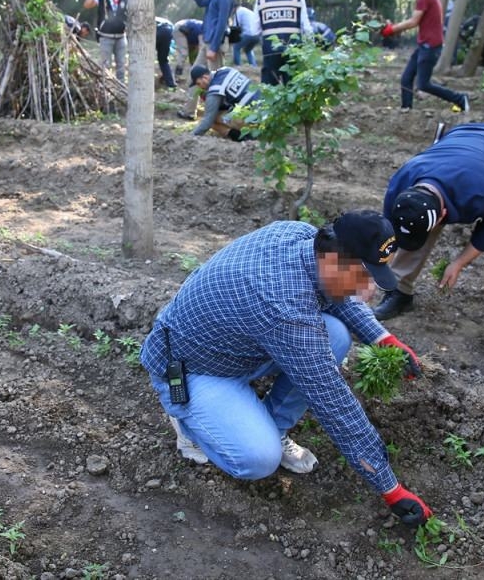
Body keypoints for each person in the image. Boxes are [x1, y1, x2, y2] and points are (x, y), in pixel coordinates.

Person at [139, 211, 431, 527]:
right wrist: (391, 488)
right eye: (363, 276)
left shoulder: (301, 236)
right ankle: (189, 425)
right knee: (258, 459)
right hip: (192, 365)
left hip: (239, 342)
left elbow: (340, 295)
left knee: (334, 335)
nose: (368, 289)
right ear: (334, 258)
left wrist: (384, 338)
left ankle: (273, 427)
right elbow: (335, 405)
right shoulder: (286, 310)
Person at [373, 124, 484, 361]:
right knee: (415, 222)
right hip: (463, 143)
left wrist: (459, 263)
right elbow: (389, 235)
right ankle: (399, 291)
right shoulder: (401, 184)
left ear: (443, 215)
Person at [380, 0, 469, 113]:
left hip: (430, 47)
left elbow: (414, 21)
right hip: (424, 45)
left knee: (424, 85)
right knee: (406, 78)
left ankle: (460, 99)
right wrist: (393, 27)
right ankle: (406, 109)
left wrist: (392, 29)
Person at [178, 0, 235, 120]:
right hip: (207, 42)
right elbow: (201, 2)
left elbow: (222, 23)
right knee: (194, 75)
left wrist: (214, 47)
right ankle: (189, 111)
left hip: (214, 44)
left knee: (217, 82)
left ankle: (221, 118)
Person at [254, 0, 313, 85]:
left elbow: (255, 31)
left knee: (269, 90)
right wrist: (310, 50)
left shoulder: (260, 2)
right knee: (294, 90)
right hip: (294, 52)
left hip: (270, 52)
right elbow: (306, 29)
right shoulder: (298, 0)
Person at [188, 65, 260, 141]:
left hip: (253, 119)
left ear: (205, 78)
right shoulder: (226, 70)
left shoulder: (215, 88)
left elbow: (208, 120)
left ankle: (241, 137)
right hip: (263, 111)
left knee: (213, 120)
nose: (200, 87)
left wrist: (191, 137)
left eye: (199, 84)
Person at [83, 0, 128, 82]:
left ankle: (121, 89)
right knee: (105, 66)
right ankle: (106, 88)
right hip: (105, 37)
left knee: (121, 65)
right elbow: (87, 5)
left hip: (121, 37)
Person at [231, 1, 261, 67]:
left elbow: (235, 27)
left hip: (248, 34)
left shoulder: (238, 12)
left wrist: (232, 39)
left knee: (236, 47)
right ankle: (253, 65)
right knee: (248, 49)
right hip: (257, 35)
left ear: (233, 8)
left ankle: (238, 65)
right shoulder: (248, 11)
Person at [155, 17, 177, 88]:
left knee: (145, 58)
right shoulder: (161, 20)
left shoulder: (144, 18)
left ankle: (145, 82)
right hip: (169, 32)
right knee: (163, 60)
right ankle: (171, 84)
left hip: (158, 32)